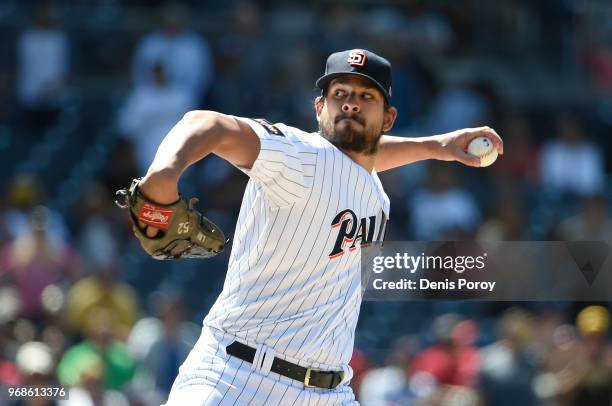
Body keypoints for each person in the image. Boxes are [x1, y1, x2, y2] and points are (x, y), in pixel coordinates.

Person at [133, 49, 503, 405]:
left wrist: (437, 145)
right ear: (318, 109)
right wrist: (164, 175)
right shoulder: (299, 155)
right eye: (339, 93)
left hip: (329, 392)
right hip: (238, 377)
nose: (351, 104)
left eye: (366, 97)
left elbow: (363, 158)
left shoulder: (370, 182)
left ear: (388, 118)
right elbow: (205, 123)